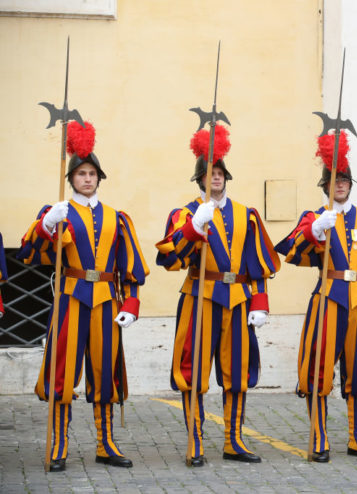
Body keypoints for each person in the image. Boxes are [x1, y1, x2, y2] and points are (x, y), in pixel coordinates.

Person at [19, 121, 149, 471]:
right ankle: (59, 445)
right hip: (71, 297)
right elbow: (32, 253)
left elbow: (132, 266)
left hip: (107, 301)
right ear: (72, 178)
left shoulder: (117, 218)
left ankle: (105, 443)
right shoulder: (57, 213)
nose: (87, 179)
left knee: (105, 371)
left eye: (92, 173)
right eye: (81, 174)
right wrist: (48, 224)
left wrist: (132, 305)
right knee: (63, 370)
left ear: (98, 178)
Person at [156, 124, 281, 466]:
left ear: (226, 176)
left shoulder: (246, 214)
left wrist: (260, 303)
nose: (216, 177)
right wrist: (193, 227)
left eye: (220, 171)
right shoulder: (184, 213)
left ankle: (233, 440)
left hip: (238, 299)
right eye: (209, 172)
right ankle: (195, 441)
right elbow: (170, 258)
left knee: (237, 372)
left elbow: (259, 263)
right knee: (193, 371)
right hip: (199, 295)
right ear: (200, 178)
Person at [275, 130, 357, 462]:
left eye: (344, 179)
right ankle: (319, 437)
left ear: (350, 184)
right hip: (328, 296)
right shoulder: (314, 218)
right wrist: (315, 231)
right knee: (318, 368)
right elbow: (292, 252)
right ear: (325, 185)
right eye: (334, 179)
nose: (339, 184)